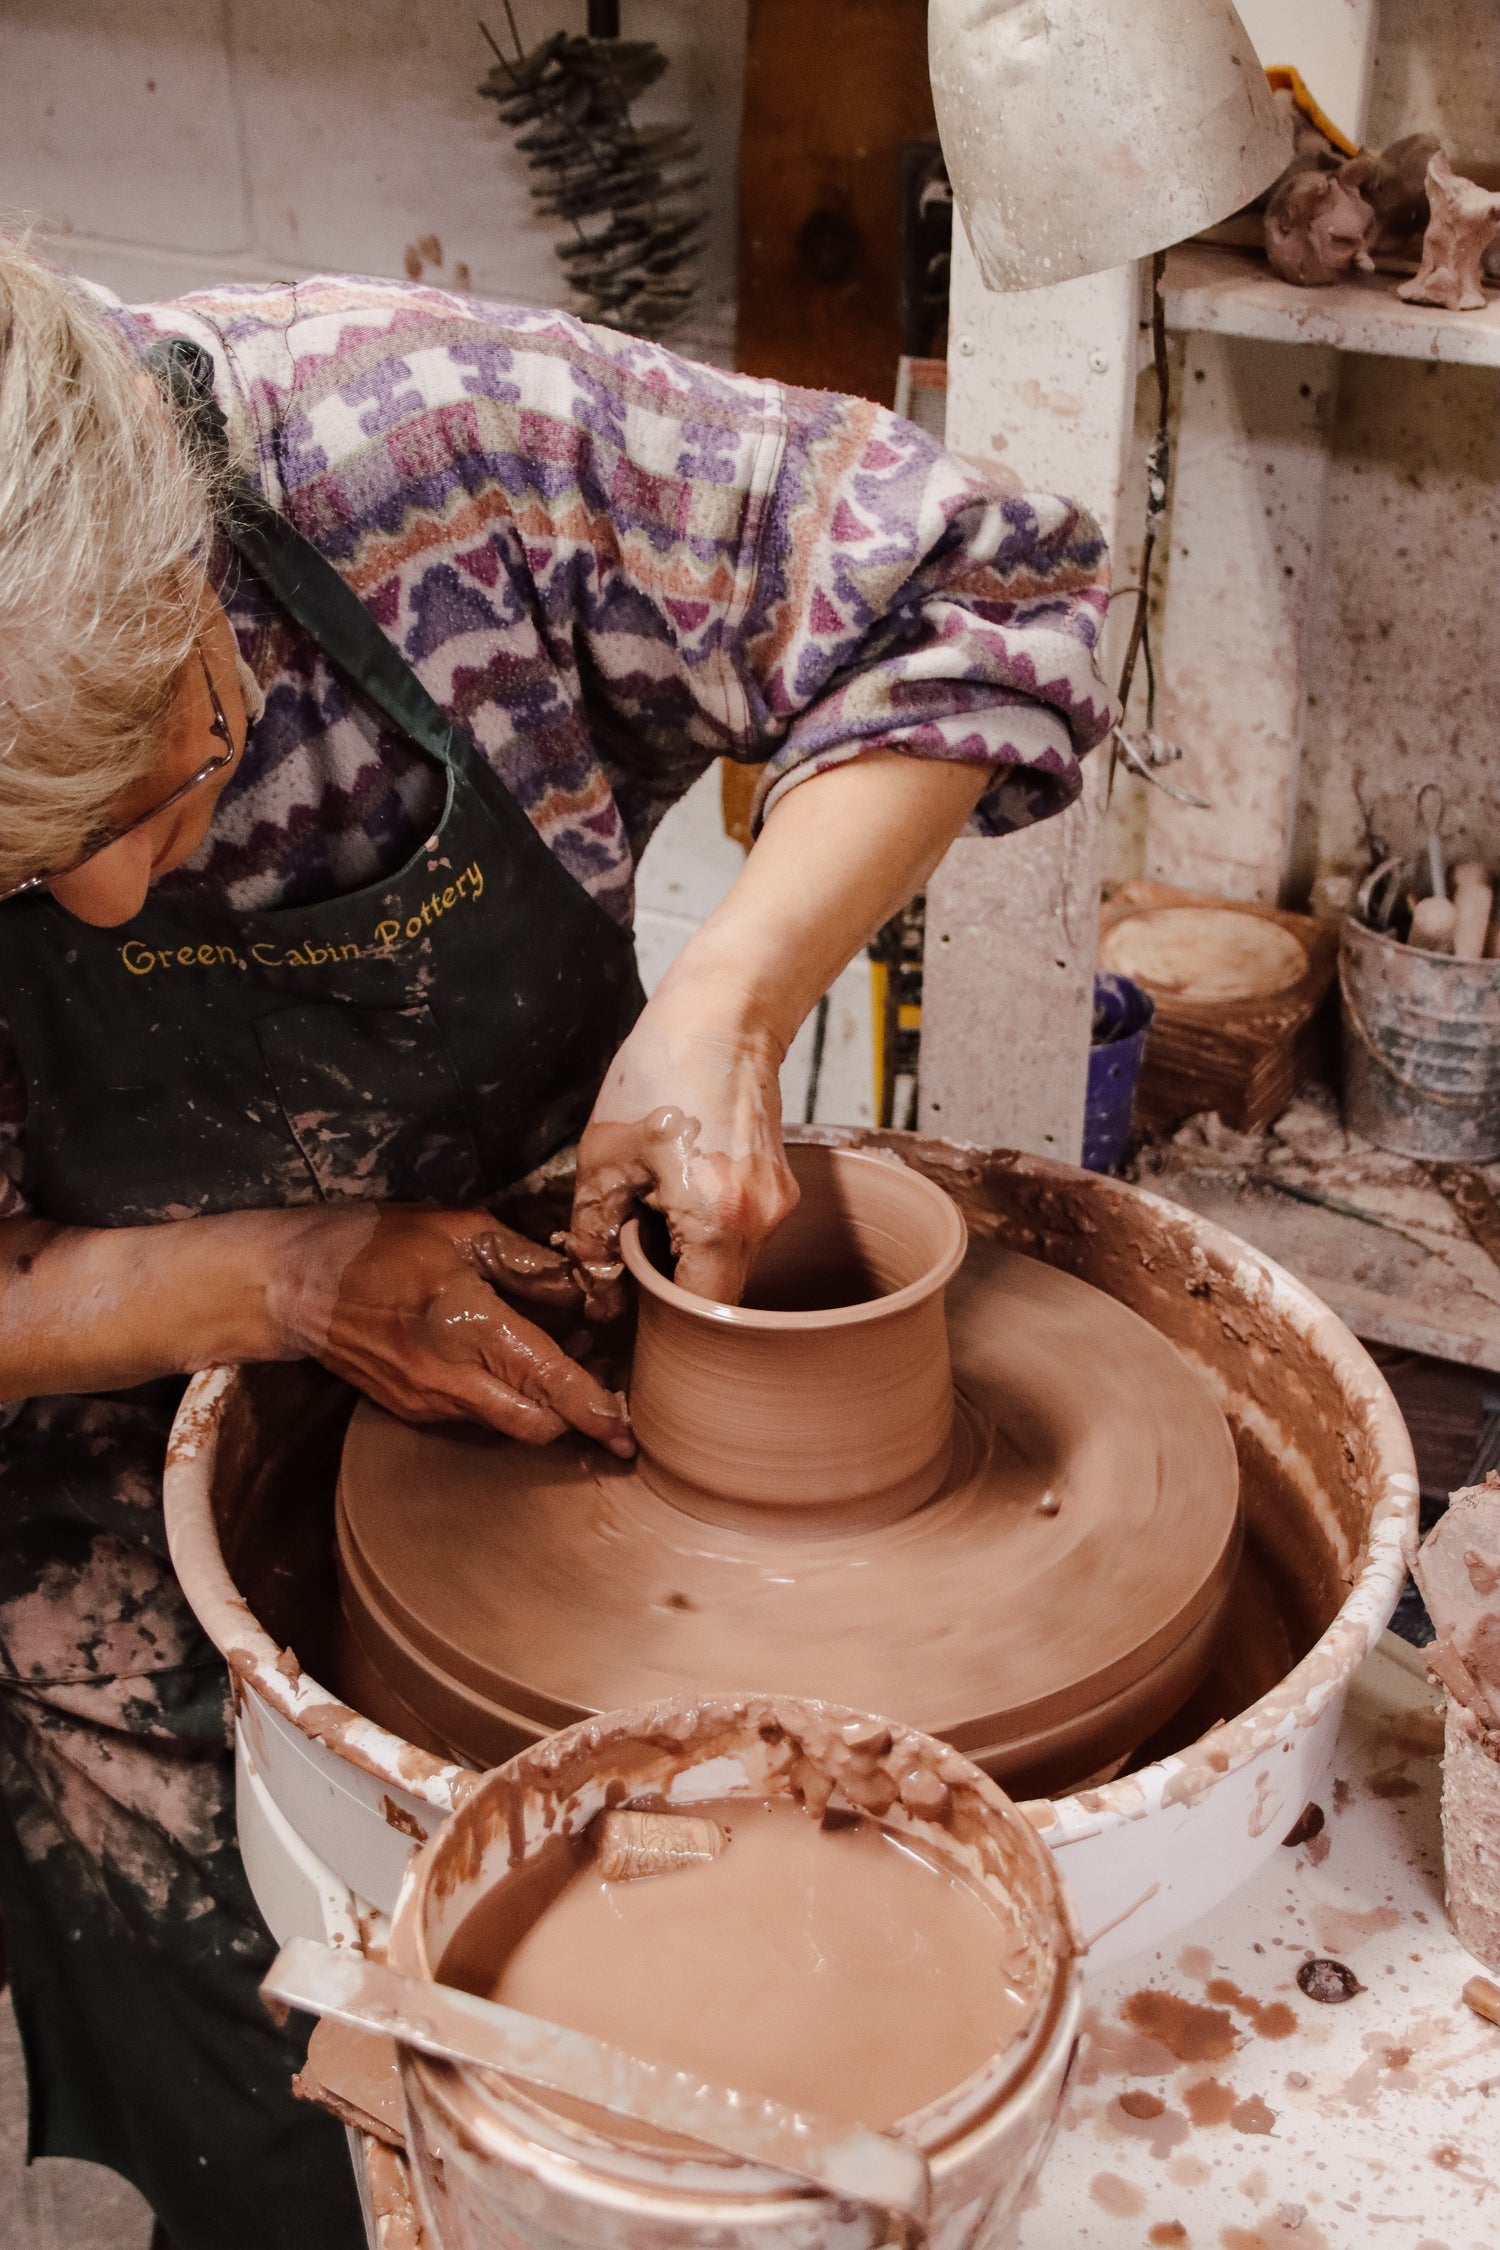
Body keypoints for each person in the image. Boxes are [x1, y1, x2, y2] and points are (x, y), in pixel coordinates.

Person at [0, 237, 1113, 2248]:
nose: (99, 901)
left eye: (154, 770)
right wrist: (286, 1277)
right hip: (85, 1440)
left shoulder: (419, 447)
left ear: (193, 554)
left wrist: (732, 999)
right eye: (17, 856)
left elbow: (982, 585)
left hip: (543, 1311)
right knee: (218, 1969)